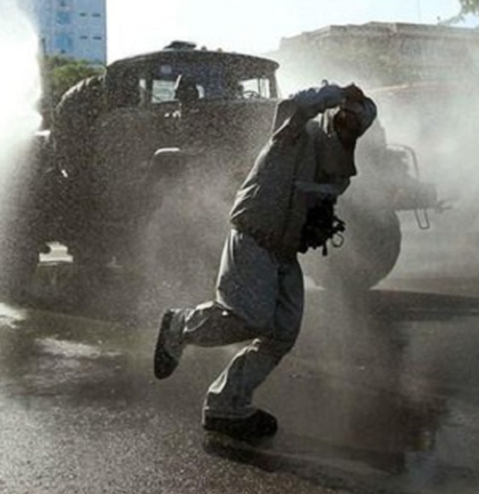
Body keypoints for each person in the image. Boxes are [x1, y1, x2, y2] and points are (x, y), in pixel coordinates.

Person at [152, 81, 377, 441]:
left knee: (282, 332)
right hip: (253, 234)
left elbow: (316, 206)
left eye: (356, 124)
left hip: (283, 251)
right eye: (346, 118)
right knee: (250, 317)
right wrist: (338, 93)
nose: (349, 126)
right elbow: (297, 103)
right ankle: (181, 325)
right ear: (335, 115)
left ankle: (226, 404)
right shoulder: (295, 131)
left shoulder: (338, 170)